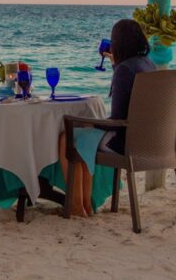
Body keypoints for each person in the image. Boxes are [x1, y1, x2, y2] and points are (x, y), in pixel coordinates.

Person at [58, 18, 156, 216]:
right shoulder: (148, 65)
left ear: (118, 43)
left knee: (67, 137)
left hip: (123, 142)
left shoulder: (125, 69)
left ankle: (78, 206)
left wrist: (87, 122)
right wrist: (115, 65)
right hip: (148, 140)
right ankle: (84, 206)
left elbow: (118, 120)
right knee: (82, 137)